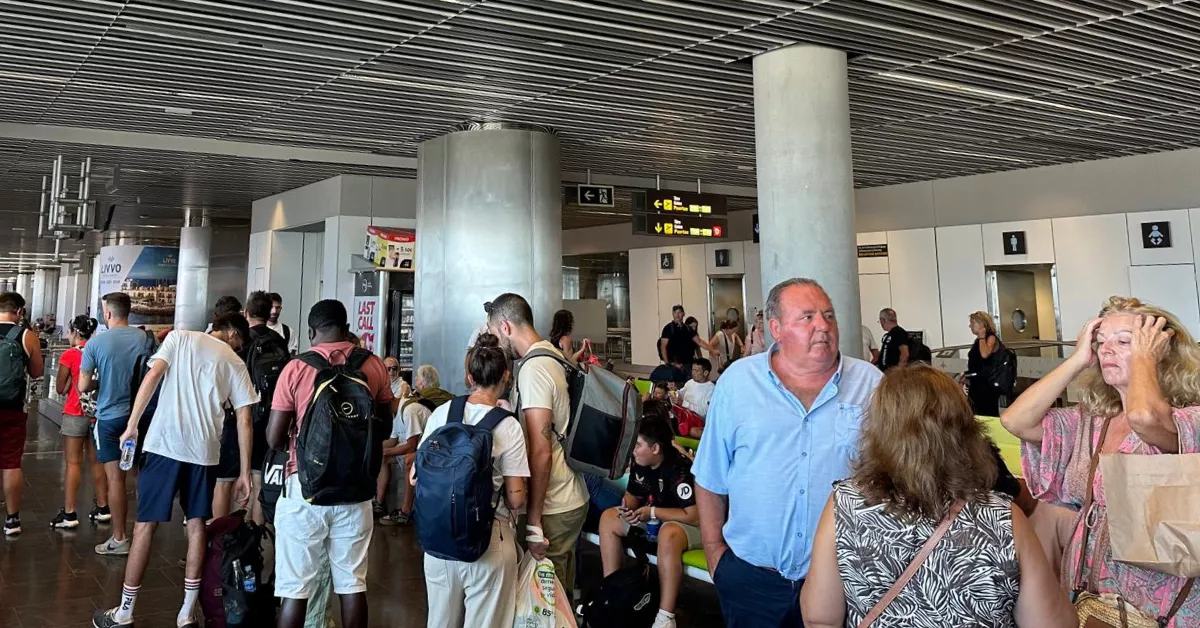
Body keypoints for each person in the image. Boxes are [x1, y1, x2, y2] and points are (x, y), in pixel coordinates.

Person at [800, 364, 1076, 627]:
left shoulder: (845, 505)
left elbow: (819, 617)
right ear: (964, 428)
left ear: (878, 428)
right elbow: (1054, 623)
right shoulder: (1002, 517)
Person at [692, 278, 883, 627]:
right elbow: (710, 475)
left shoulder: (870, 384)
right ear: (775, 329)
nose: (822, 326)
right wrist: (715, 554)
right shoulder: (738, 383)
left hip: (843, 583)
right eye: (807, 317)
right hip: (751, 579)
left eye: (828, 315)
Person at [1001, 297, 1200, 623]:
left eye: (1124, 342)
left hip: (1163, 606)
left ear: (1161, 351)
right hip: (1093, 597)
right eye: (1100, 342)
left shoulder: (1188, 420)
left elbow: (1146, 418)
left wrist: (1144, 359)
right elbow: (1016, 421)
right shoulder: (1093, 422)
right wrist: (1078, 359)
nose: (1106, 350)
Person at [91, 313, 257, 628]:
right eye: (241, 340)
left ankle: (125, 611)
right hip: (205, 453)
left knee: (145, 526)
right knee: (197, 527)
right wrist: (245, 472)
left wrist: (132, 425)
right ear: (232, 333)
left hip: (164, 446)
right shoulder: (235, 363)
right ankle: (186, 613)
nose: (240, 347)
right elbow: (244, 419)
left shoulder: (180, 338)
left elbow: (152, 378)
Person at [267, 300, 396, 628]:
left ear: (312, 332)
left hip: (305, 490)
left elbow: (273, 437)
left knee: (295, 590)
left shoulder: (296, 368)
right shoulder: (375, 366)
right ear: (346, 325)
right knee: (352, 585)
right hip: (356, 491)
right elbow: (386, 426)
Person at [419, 333, 529, 628]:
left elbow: (418, 474)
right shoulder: (508, 425)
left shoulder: (441, 414)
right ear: (506, 376)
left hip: (438, 540)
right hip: (488, 540)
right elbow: (517, 497)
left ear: (469, 377)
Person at [488, 293, 589, 594]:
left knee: (547, 605)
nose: (495, 343)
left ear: (505, 327)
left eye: (494, 333)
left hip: (553, 504)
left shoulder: (533, 369)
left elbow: (541, 450)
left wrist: (532, 523)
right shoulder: (552, 355)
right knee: (557, 598)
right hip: (567, 493)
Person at [599, 418, 701, 628]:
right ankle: (613, 593)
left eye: (638, 445)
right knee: (609, 518)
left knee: (669, 532)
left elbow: (695, 515)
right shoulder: (640, 464)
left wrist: (653, 511)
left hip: (692, 526)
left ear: (655, 448)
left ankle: (665, 617)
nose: (633, 451)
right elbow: (633, 495)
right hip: (655, 521)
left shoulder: (680, 469)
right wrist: (627, 509)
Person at [79, 292, 156, 555]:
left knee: (116, 480)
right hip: (142, 415)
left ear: (108, 314)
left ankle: (120, 538)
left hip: (110, 419)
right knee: (144, 476)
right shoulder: (147, 338)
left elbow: (83, 385)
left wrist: (101, 382)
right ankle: (146, 532)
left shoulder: (95, 344)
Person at [212, 291, 286, 523]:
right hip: (270, 419)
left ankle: (220, 542)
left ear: (246, 313)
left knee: (224, 482)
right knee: (258, 480)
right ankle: (253, 540)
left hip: (238, 420)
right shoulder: (280, 343)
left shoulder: (242, 342)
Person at [51, 314, 108, 530]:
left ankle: (70, 513)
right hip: (96, 414)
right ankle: (103, 508)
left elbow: (59, 388)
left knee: (73, 463)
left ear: (75, 332)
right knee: (97, 462)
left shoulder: (69, 355)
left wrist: (68, 387)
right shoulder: (99, 351)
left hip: (74, 413)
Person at [380, 364, 452, 524]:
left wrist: (385, 451)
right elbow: (393, 440)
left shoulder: (410, 409)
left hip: (438, 446)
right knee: (387, 457)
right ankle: (379, 503)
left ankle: (405, 511)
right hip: (431, 444)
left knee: (408, 461)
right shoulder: (402, 409)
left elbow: (411, 446)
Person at [0, 292, 43, 537]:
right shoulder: (26, 336)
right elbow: (36, 372)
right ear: (19, 312)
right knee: (10, 463)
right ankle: (12, 520)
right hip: (13, 408)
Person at [965, 310, 1002, 417]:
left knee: (986, 413)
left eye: (973, 323)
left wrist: (982, 337)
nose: (970, 326)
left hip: (986, 385)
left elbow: (985, 354)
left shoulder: (990, 337)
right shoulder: (978, 341)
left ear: (981, 324)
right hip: (976, 383)